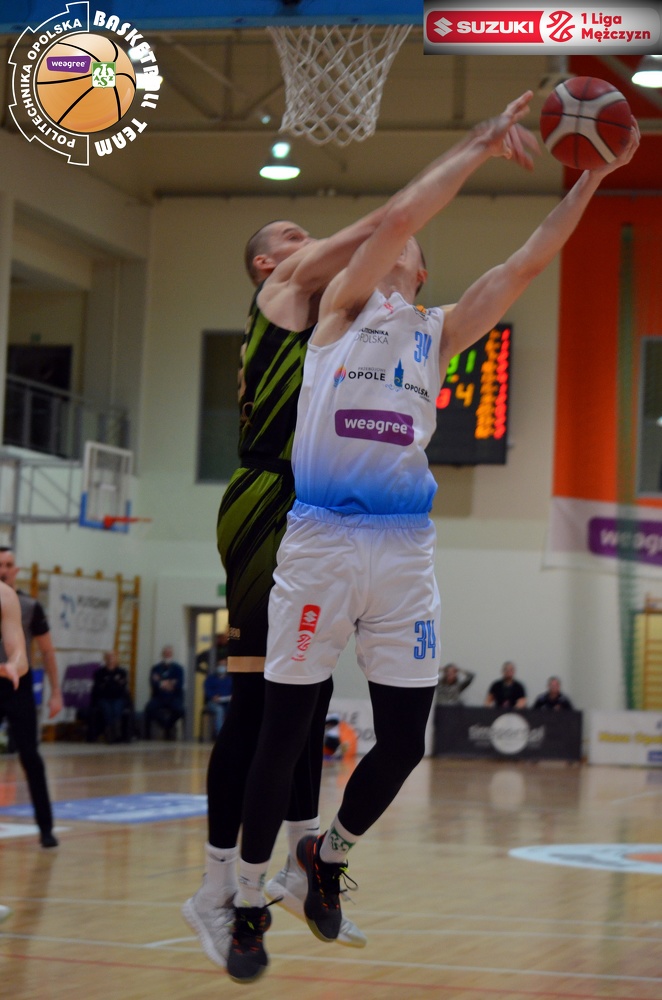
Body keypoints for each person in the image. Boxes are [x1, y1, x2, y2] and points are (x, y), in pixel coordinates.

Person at [225, 93, 639, 983]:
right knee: (283, 735)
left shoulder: (440, 331)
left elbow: (529, 262)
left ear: (419, 271)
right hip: (323, 541)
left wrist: (593, 178)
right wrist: (480, 144)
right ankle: (249, 899)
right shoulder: (338, 310)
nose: (399, 244)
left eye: (410, 247)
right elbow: (400, 216)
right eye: (394, 239)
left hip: (405, 552)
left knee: (407, 740)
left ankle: (328, 856)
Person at [182, 116, 525, 960]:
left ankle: (302, 863)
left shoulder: (350, 324)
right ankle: (218, 887)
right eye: (291, 233)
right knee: (262, 709)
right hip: (270, 496)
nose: (306, 239)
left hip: (323, 504)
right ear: (267, 262)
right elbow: (388, 223)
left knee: (299, 709)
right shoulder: (290, 286)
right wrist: (473, 148)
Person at [0, 547, 61, 848]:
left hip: (17, 684)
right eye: (0, 564)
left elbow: (46, 651)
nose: (4, 569)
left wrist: (56, 692)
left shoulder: (27, 605)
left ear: (16, 569)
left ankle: (46, 828)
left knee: (31, 756)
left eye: (9, 564)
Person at [89, 650, 133, 743]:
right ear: (105, 659)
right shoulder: (99, 673)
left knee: (116, 709)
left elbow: (121, 687)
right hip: (104, 698)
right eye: (108, 657)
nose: (110, 659)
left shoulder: (122, 672)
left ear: (116, 659)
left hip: (118, 698)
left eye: (112, 657)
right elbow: (98, 688)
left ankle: (116, 733)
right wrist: (113, 684)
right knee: (107, 710)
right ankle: (110, 734)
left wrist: (108, 684)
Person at [144, 645, 185, 739]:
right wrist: (169, 683)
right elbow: (154, 683)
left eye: (169, 653)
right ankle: (166, 726)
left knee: (180, 710)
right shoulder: (156, 668)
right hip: (159, 697)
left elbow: (179, 684)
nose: (167, 655)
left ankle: (168, 726)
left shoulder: (178, 669)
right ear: (162, 654)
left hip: (174, 697)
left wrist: (162, 682)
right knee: (149, 708)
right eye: (166, 653)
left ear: (172, 654)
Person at [203, 660, 233, 738]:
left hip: (227, 703)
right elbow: (207, 691)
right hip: (213, 703)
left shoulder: (230, 679)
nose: (222, 667)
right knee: (219, 710)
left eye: (224, 665)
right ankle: (221, 735)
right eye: (220, 665)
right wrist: (213, 696)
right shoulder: (210, 679)